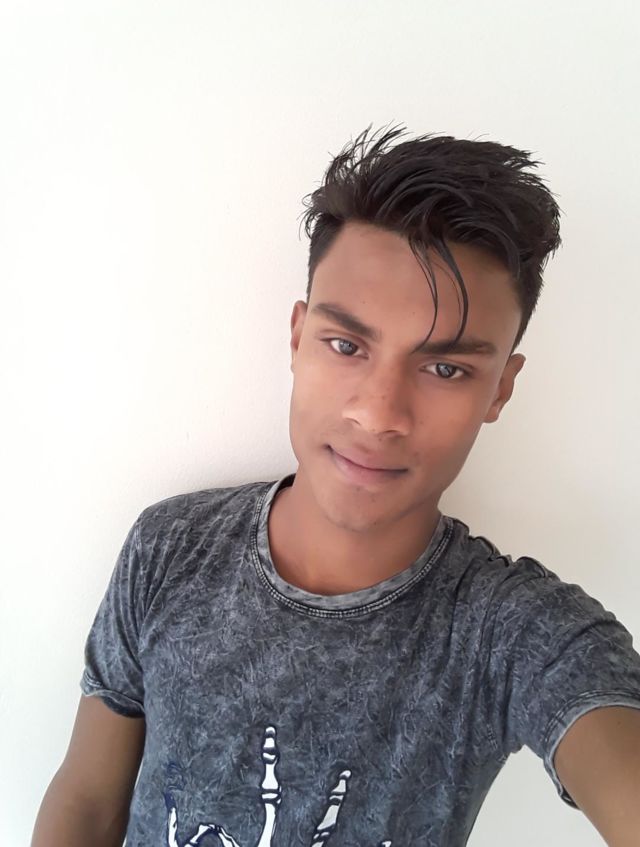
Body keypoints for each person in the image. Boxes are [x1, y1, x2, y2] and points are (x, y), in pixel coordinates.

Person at [31, 125, 640, 847]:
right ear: (298, 338)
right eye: (347, 345)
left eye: (445, 368)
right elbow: (87, 800)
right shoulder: (170, 547)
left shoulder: (511, 633)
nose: (378, 414)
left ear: (500, 388)